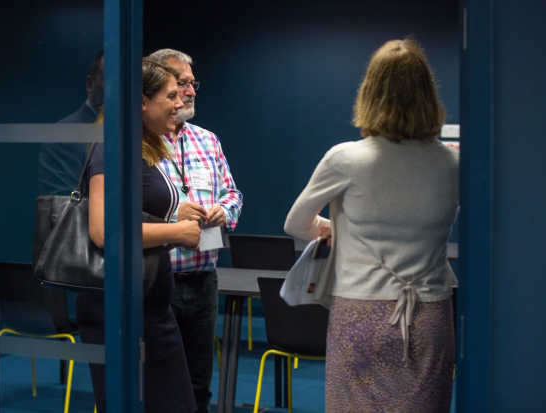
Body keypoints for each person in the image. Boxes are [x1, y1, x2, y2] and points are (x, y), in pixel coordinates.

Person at [284, 38, 459, 412]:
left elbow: (296, 224)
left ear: (370, 93)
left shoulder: (345, 159)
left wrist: (332, 228)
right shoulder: (453, 164)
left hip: (359, 314)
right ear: (429, 96)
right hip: (429, 313)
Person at [75, 58, 199, 413]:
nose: (180, 103)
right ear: (141, 102)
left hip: (148, 308)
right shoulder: (111, 148)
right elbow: (103, 230)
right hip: (121, 311)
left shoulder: (143, 148)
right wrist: (176, 231)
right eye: (171, 95)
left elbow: (134, 214)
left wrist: (175, 216)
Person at [148, 49, 243, 413]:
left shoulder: (208, 140)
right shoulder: (142, 143)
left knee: (199, 385)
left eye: (191, 84)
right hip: (160, 279)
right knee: (160, 383)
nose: (189, 92)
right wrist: (174, 216)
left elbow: (232, 193)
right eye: (180, 84)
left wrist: (224, 210)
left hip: (204, 279)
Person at [38, 50, 103, 195]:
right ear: (89, 84)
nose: (117, 88)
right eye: (107, 78)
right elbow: (65, 209)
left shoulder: (135, 132)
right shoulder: (62, 135)